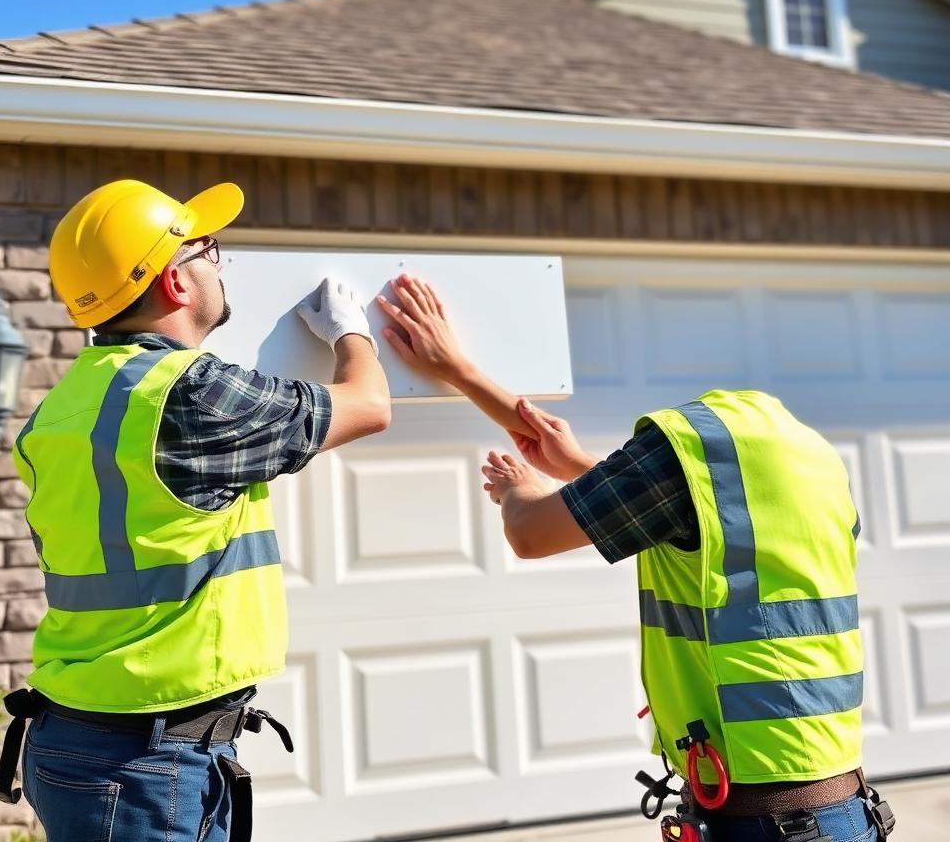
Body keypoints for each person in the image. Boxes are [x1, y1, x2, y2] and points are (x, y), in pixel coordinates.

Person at [377, 273, 895, 842]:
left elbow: (529, 533)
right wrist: (463, 374)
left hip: (765, 824)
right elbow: (687, 519)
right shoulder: (810, 465)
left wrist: (516, 489)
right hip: (839, 808)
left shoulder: (689, 452)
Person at [0, 179, 391, 842]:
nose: (221, 263)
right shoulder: (189, 395)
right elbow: (369, 404)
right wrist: (351, 330)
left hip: (77, 741)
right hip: (146, 764)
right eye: (209, 251)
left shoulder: (58, 409)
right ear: (175, 283)